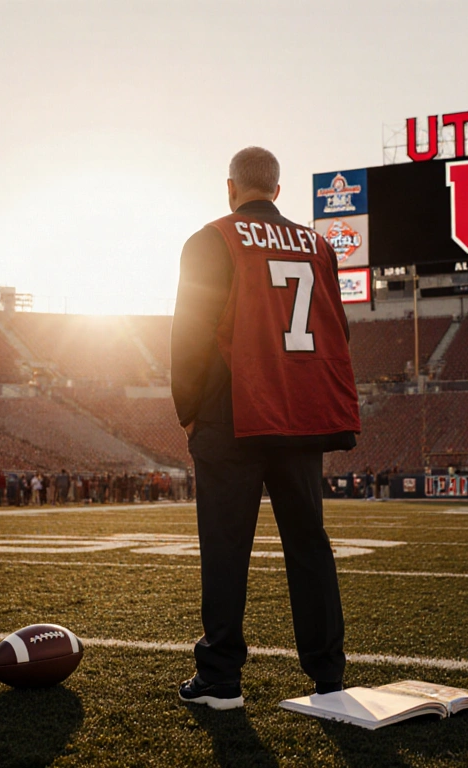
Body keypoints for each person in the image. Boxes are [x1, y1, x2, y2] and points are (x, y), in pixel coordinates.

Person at [171, 147, 360, 709]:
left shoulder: (212, 238)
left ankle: (221, 678)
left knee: (226, 545)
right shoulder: (318, 244)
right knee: (309, 543)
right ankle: (328, 676)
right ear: (277, 190)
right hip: (299, 409)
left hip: (236, 408)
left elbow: (191, 334)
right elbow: (337, 329)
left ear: (231, 188)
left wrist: (190, 408)